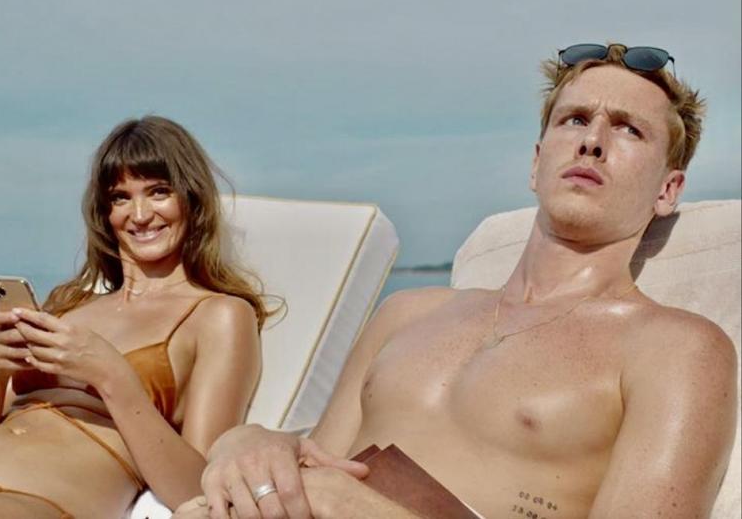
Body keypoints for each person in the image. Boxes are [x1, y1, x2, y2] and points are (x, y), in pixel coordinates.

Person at [191, 44, 739, 519]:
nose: (592, 141)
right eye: (574, 119)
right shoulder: (407, 312)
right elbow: (321, 461)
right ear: (536, 163)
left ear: (668, 190)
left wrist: (364, 510)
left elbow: (337, 495)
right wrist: (250, 443)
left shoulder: (675, 348)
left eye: (628, 129)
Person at [0, 116, 268, 518]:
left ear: (192, 197)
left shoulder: (220, 315)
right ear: (105, 212)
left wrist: (111, 376)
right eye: (121, 198)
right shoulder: (68, 304)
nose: (139, 215)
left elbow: (197, 490)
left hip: (34, 501)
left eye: (159, 192)